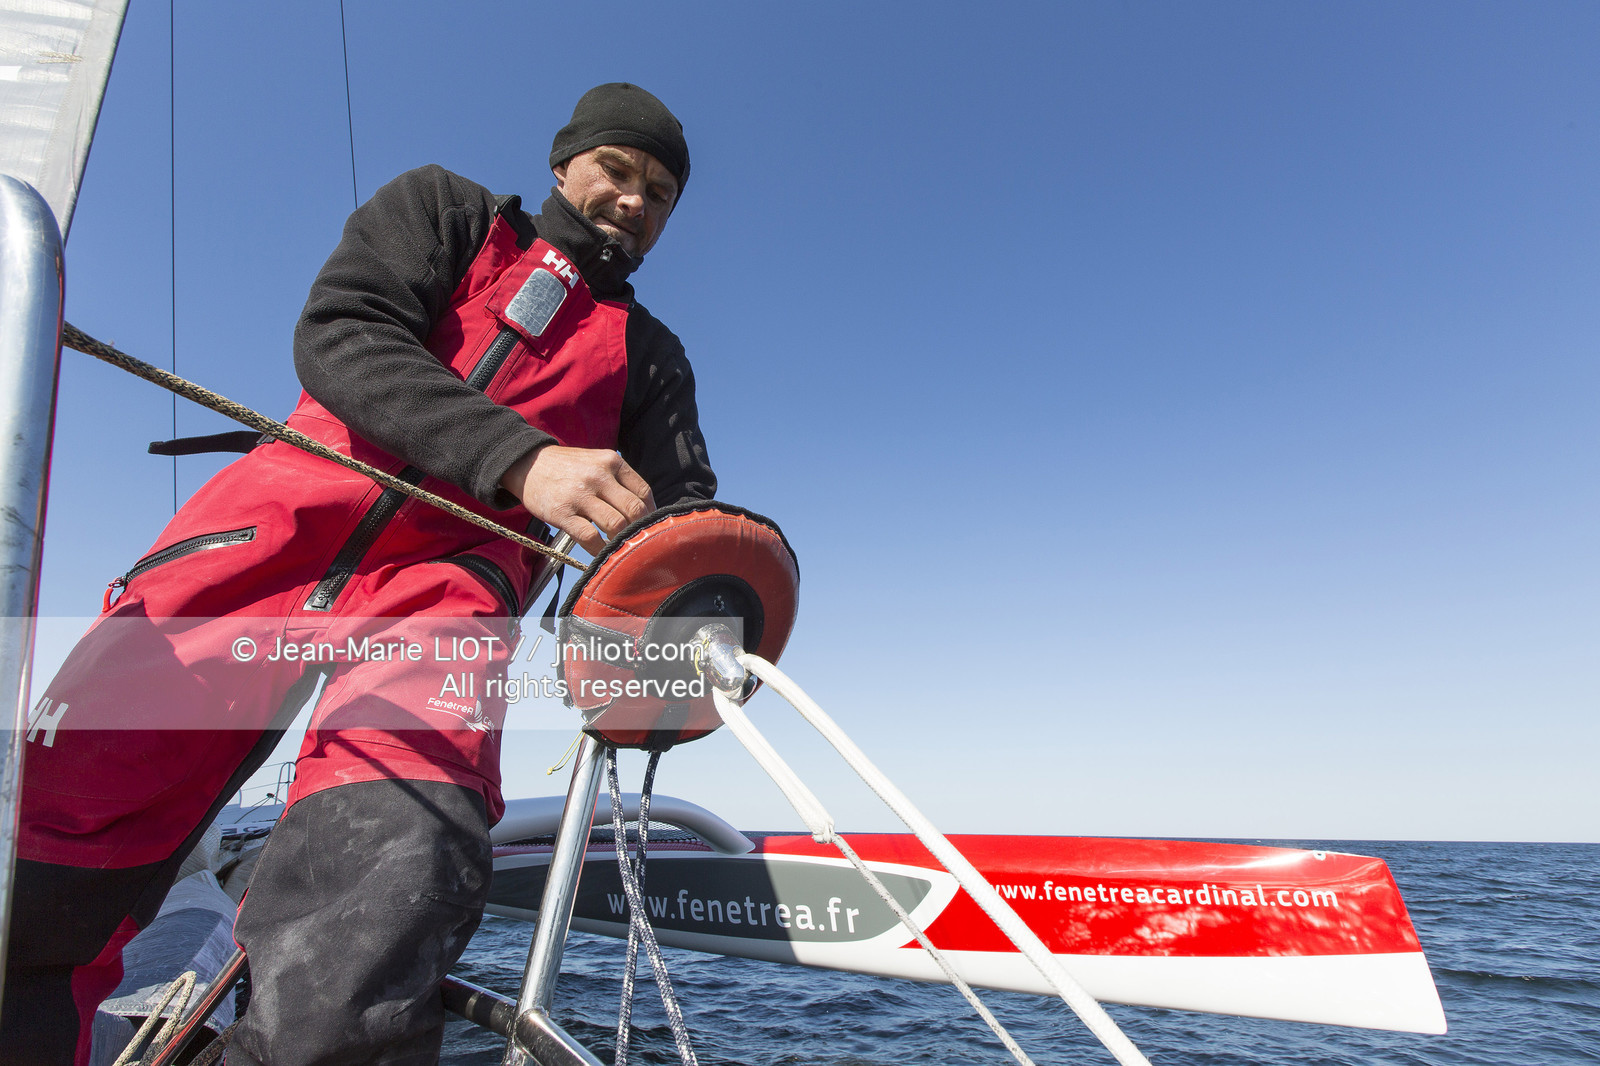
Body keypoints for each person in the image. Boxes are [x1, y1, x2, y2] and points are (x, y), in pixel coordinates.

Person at [1, 82, 715, 1066]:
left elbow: (678, 519)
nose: (637, 201)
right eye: (619, 171)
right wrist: (525, 459)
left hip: (445, 603)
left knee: (389, 885)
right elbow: (342, 332)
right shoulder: (445, 210)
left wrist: (707, 601)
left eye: (662, 193)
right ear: (565, 165)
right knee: (43, 858)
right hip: (258, 548)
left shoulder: (652, 358)